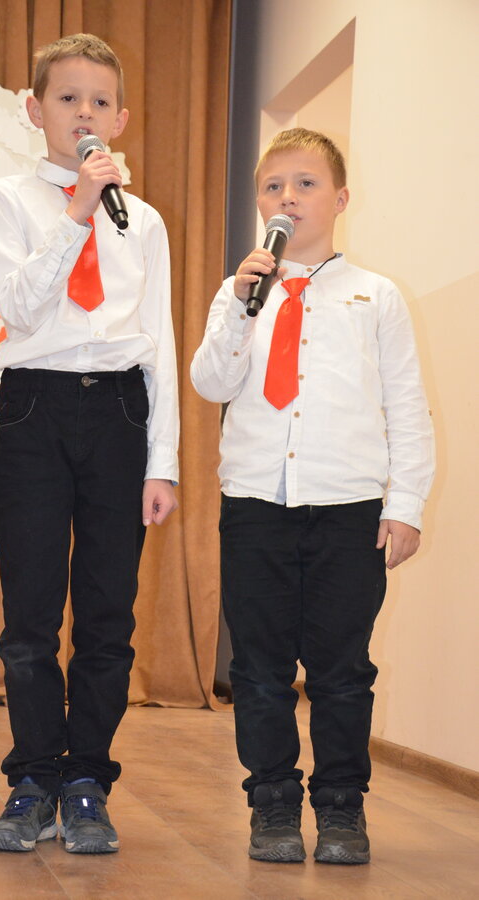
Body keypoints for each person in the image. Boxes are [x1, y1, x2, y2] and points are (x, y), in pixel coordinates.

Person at [191, 128, 434, 865]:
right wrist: (242, 304)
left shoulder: (376, 296)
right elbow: (211, 382)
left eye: (305, 183)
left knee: (342, 670)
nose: (288, 197)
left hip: (349, 510)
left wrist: (405, 505)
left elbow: (407, 405)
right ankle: (271, 802)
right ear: (258, 202)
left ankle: (340, 807)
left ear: (340, 198)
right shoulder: (241, 292)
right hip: (256, 505)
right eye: (273, 186)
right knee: (259, 668)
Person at [0, 33, 179, 854]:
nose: (84, 113)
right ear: (36, 110)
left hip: (120, 414)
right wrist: (75, 213)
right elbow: (21, 308)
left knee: (106, 615)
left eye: (99, 101)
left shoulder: (146, 221)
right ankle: (33, 781)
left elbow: (159, 341)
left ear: (121, 118)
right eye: (67, 99)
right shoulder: (5, 200)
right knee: (29, 616)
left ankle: (88, 781)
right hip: (35, 407)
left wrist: (162, 461)